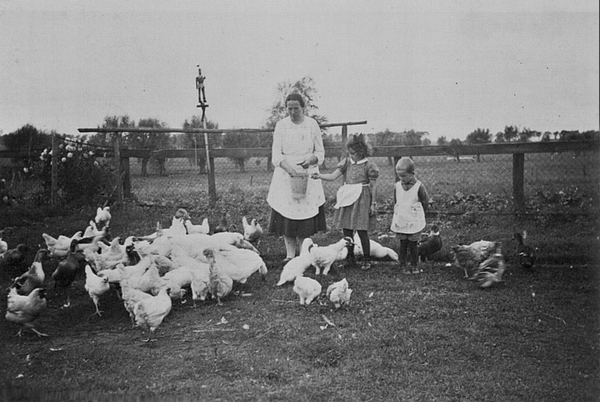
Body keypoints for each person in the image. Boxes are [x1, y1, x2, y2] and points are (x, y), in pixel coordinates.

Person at [266, 93, 327, 263]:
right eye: (289, 108)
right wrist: (290, 170)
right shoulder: (281, 125)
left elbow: (320, 152)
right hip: (286, 175)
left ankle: (304, 254)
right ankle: (290, 254)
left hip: (308, 174)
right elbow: (276, 155)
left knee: (305, 217)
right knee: (288, 215)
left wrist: (311, 160)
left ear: (303, 107)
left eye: (296, 108)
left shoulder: (312, 124)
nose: (293, 112)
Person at [311, 134, 379, 270]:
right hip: (348, 197)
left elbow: (373, 186)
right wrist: (319, 176)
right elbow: (333, 176)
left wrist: (373, 203)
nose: (351, 155)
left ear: (361, 152)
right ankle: (350, 258)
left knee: (361, 230)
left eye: (353, 153)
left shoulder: (369, 165)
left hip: (362, 199)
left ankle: (366, 259)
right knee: (347, 229)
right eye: (350, 152)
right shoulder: (347, 163)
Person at [390, 157, 430, 274]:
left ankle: (414, 265)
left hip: (414, 220)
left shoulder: (419, 187)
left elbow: (425, 202)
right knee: (403, 244)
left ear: (412, 173)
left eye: (404, 176)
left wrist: (421, 214)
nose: (401, 179)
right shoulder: (397, 186)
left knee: (413, 244)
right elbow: (396, 201)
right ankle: (402, 264)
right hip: (402, 219)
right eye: (399, 176)